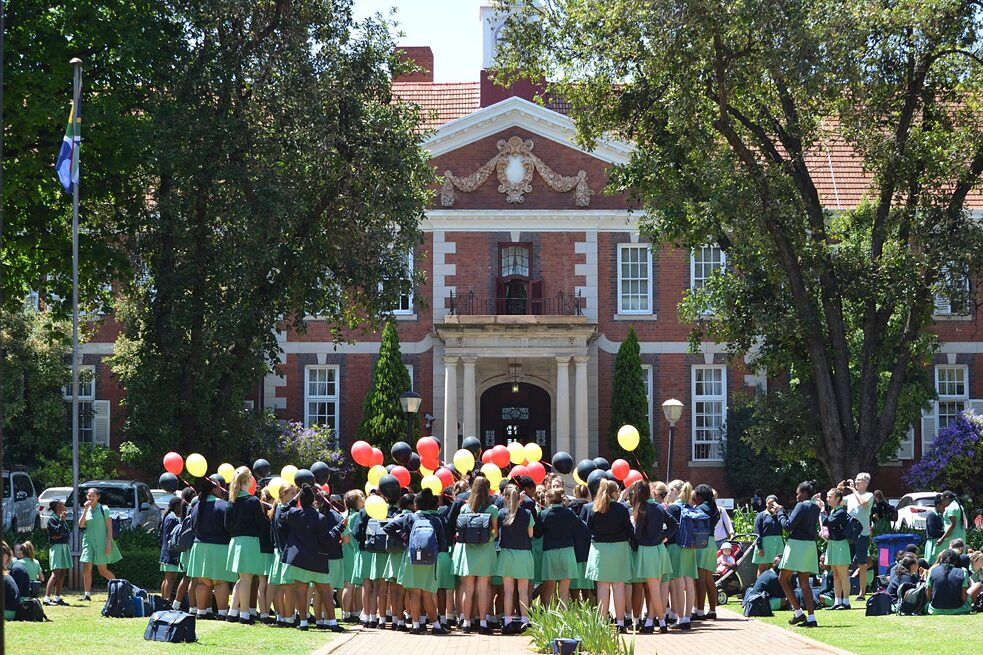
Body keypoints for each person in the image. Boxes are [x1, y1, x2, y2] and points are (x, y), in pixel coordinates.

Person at [281, 483, 344, 631]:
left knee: (301, 592)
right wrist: (340, 527)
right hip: (317, 559)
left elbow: (283, 510)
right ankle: (333, 623)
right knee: (326, 592)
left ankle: (303, 623)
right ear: (314, 501)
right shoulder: (320, 518)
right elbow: (327, 539)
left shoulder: (294, 514)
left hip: (299, 560)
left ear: (300, 501)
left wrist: (294, 499)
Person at [386, 489, 449, 635]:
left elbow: (388, 528)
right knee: (427, 594)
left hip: (412, 558)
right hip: (429, 559)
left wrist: (405, 541)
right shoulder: (436, 520)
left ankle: (415, 626)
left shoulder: (409, 518)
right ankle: (436, 626)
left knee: (414, 594)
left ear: (415, 504)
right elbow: (443, 544)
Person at [585, 479, 635, 633]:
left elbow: (589, 528)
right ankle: (620, 623)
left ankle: (602, 623)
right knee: (619, 586)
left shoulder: (594, 508)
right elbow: (629, 530)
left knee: (602, 587)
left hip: (600, 549)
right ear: (614, 492)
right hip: (619, 548)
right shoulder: (621, 509)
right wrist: (634, 545)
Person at [451, 476, 498, 634]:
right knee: (483, 588)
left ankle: (466, 622)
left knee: (468, 589)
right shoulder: (492, 509)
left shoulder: (465, 508)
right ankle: (483, 623)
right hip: (485, 551)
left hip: (468, 552)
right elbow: (495, 532)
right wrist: (487, 539)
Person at [185, 476, 236, 620]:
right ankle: (221, 613)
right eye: (219, 487)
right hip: (220, 547)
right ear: (214, 489)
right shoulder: (224, 505)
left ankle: (201, 612)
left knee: (203, 582)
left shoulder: (196, 506)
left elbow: (192, 527)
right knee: (220, 582)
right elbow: (229, 527)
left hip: (199, 547)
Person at [630, 479, 677, 633]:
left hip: (648, 550)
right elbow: (674, 524)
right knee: (654, 588)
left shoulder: (642, 509)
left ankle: (662, 622)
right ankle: (650, 622)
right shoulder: (658, 507)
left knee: (654, 589)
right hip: (659, 549)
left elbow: (637, 534)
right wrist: (664, 537)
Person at [225, 466, 267, 624]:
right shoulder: (253, 501)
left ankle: (232, 611)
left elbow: (226, 526)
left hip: (236, 542)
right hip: (249, 543)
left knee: (242, 579)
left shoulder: (231, 501)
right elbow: (261, 524)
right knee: (246, 580)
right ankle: (244, 615)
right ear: (249, 480)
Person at [776, 480, 821, 628]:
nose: (796, 496)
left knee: (783, 579)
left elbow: (788, 526)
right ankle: (811, 618)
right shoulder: (815, 507)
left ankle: (798, 612)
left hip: (796, 545)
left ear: (804, 493)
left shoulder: (801, 505)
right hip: (809, 546)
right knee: (804, 583)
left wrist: (779, 512)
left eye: (798, 493)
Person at [494, 485, 534, 634]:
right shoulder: (527, 513)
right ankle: (524, 621)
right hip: (523, 554)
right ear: (519, 497)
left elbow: (496, 533)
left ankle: (508, 621)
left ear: (505, 497)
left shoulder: (501, 513)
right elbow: (531, 534)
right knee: (523, 591)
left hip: (506, 554)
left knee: (508, 591)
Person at [536, 487, 580, 606]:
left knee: (548, 588)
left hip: (550, 553)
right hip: (567, 551)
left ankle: (546, 615)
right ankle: (563, 617)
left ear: (549, 499)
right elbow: (577, 527)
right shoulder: (569, 513)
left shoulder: (544, 514)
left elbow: (537, 533)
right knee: (564, 591)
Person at [78, 487, 121, 602]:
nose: (90, 498)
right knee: (87, 566)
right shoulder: (86, 510)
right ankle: (87, 594)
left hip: (102, 542)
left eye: (93, 496)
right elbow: (81, 525)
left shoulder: (104, 509)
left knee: (102, 570)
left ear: (98, 497)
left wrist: (108, 544)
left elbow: (109, 528)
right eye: (88, 496)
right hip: (88, 541)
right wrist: (85, 510)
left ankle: (118, 589)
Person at [665, 480, 697, 630]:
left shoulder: (672, 508)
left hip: (675, 547)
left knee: (678, 584)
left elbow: (667, 528)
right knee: (689, 583)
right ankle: (687, 618)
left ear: (677, 490)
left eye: (670, 489)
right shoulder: (691, 507)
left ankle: (679, 618)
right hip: (690, 548)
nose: (668, 492)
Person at [314, 490, 347, 632]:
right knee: (329, 589)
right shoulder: (338, 516)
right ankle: (329, 619)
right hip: (334, 557)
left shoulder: (313, 516)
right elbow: (346, 539)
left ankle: (318, 619)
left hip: (317, 557)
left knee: (317, 591)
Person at [841, 472, 873, 602]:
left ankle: (862, 592)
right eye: (856, 480)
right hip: (849, 533)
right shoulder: (850, 497)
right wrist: (839, 489)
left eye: (859, 480)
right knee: (844, 563)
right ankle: (843, 591)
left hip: (862, 533)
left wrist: (854, 490)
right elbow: (838, 502)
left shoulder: (869, 495)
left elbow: (863, 503)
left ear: (866, 482)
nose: (856, 481)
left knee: (862, 564)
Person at [820, 487, 851, 610]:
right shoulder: (834, 511)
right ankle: (838, 601)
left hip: (841, 545)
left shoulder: (840, 512)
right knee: (836, 575)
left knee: (843, 575)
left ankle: (846, 602)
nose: (827, 499)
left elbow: (826, 522)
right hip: (833, 544)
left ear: (837, 499)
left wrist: (822, 510)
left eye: (830, 497)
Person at [692, 483, 720, 620]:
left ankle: (700, 611)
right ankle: (713, 610)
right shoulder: (714, 507)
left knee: (700, 579)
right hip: (712, 542)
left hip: (701, 543)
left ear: (700, 496)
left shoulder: (700, 508)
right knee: (709, 579)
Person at [341, 489, 365, 624]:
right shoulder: (357, 516)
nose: (364, 499)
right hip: (352, 551)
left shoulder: (345, 515)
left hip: (348, 550)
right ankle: (346, 613)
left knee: (354, 585)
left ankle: (354, 611)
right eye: (361, 497)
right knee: (350, 584)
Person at [44, 500, 71, 606]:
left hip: (64, 546)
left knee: (62, 573)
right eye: (62, 504)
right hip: (56, 548)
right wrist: (61, 521)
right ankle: (46, 599)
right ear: (57, 507)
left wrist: (60, 534)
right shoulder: (52, 520)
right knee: (55, 574)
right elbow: (56, 534)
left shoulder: (61, 520)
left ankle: (57, 598)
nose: (65, 506)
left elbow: (66, 534)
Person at [927, 548, 971, 615]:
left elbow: (928, 595)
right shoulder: (963, 571)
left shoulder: (932, 571)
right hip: (958, 609)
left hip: (935, 610)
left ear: (942, 559)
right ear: (956, 560)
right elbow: (964, 598)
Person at [159, 495, 185, 603]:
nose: (182, 510)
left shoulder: (168, 516)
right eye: (181, 506)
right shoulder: (173, 518)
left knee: (167, 579)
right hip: (170, 553)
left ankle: (164, 600)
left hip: (165, 553)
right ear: (176, 506)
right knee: (170, 579)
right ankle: (168, 600)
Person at [753, 495, 784, 575]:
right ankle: (760, 585)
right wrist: (760, 547)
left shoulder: (780, 514)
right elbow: (757, 532)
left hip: (778, 543)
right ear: (766, 504)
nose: (771, 505)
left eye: (773, 503)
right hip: (765, 544)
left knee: (775, 566)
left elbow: (786, 524)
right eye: (769, 503)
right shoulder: (761, 515)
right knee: (763, 566)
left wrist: (780, 511)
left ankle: (773, 585)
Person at [924, 494, 946, 566]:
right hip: (933, 543)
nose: (944, 508)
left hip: (938, 542)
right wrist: (945, 533)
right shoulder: (932, 515)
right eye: (943, 506)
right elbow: (932, 531)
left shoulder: (940, 515)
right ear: (938, 505)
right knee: (931, 563)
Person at [3, 542, 20, 622]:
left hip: (7, 612)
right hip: (12, 611)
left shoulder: (4, 577)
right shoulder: (6, 576)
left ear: (5, 557)